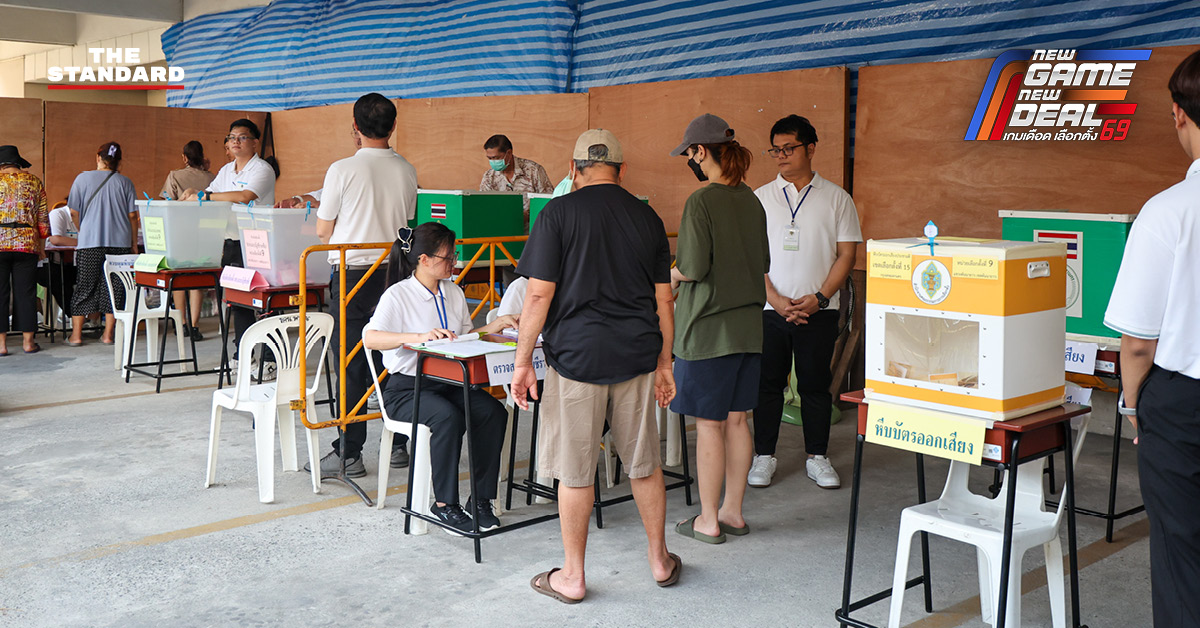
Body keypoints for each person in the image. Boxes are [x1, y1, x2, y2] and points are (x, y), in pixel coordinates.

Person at [512, 129, 681, 603]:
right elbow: (663, 300)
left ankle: (572, 576)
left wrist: (523, 362)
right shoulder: (647, 217)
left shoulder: (557, 215)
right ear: (623, 171)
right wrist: (665, 362)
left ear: (572, 169)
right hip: (637, 356)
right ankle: (659, 560)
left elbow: (539, 294)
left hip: (577, 359)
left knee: (576, 471)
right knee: (644, 465)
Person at [1103, 48, 1200, 628]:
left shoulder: (1168, 212)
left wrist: (1133, 406)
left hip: (1182, 404)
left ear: (1179, 115)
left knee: (1183, 555)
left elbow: (1137, 343)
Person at [363, 223, 517, 533]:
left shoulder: (453, 291)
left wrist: (495, 324)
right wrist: (419, 337)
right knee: (447, 418)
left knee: (493, 413)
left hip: (449, 382)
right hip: (407, 390)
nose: (455, 262)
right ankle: (444, 504)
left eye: (454, 255)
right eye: (448, 257)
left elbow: (462, 337)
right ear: (423, 259)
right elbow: (370, 338)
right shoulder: (399, 295)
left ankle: (481, 499)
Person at [668, 113, 769, 545]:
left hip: (707, 329)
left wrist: (668, 277)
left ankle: (707, 520)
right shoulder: (752, 199)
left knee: (708, 425)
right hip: (749, 326)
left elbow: (691, 267)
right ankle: (733, 512)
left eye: (689, 153)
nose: (689, 160)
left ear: (701, 151)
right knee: (739, 420)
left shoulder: (702, 201)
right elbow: (763, 264)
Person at [307, 92, 419, 478]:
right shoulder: (407, 170)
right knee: (396, 355)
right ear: (393, 126)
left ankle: (349, 453)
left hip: (353, 276)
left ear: (355, 128)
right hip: (395, 274)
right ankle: (399, 443)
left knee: (352, 364)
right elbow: (406, 225)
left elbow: (323, 231)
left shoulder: (341, 170)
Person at [748, 115, 862, 490]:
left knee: (815, 386)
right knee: (767, 386)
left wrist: (821, 297)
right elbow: (750, 257)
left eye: (789, 148)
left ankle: (818, 457)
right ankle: (763, 456)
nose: (781, 155)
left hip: (819, 310)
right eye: (775, 149)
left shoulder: (836, 198)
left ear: (810, 148)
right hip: (770, 310)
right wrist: (777, 300)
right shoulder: (760, 198)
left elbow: (846, 255)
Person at [179, 119, 275, 367]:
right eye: (232, 137)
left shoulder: (261, 169)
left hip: (257, 242)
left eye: (242, 137)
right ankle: (242, 356)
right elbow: (209, 196)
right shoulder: (225, 171)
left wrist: (205, 196)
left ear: (254, 142)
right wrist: (192, 193)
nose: (235, 141)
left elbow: (245, 197)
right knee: (237, 301)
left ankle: (269, 358)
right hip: (232, 242)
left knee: (263, 301)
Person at [66, 142, 138, 347]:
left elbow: (73, 212)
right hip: (120, 244)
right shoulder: (125, 182)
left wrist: (84, 231)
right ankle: (107, 335)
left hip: (90, 244)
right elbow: (133, 216)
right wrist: (133, 243)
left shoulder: (82, 178)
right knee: (115, 288)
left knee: (84, 287)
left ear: (98, 157)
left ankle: (76, 336)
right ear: (119, 161)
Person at [162, 140, 216, 340]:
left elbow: (167, 203)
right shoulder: (212, 177)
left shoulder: (174, 175)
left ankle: (181, 323)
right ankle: (194, 325)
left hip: (180, 232)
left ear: (184, 157)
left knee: (179, 278)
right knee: (196, 281)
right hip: (205, 233)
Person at [0, 144, 49, 356]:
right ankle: (28, 342)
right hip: (26, 244)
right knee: (26, 291)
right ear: (18, 162)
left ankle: (1, 346)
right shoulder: (34, 182)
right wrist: (42, 245)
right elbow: (43, 221)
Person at [479, 134, 553, 226]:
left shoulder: (533, 170)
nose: (493, 162)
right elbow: (484, 207)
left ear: (509, 153)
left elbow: (548, 202)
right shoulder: (489, 177)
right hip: (501, 233)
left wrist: (527, 216)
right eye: (490, 158)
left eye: (496, 158)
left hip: (532, 233)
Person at [35, 200, 79, 324]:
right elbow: (56, 239)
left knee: (92, 276)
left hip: (72, 264)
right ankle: (75, 316)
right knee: (59, 280)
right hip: (48, 263)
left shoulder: (88, 217)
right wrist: (87, 241)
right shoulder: (58, 214)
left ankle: (89, 320)